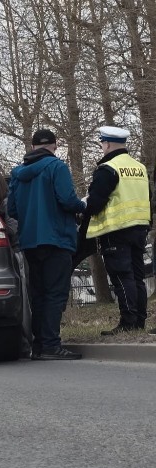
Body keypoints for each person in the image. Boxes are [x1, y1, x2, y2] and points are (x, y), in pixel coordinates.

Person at [7, 129, 87, 360]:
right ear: (54, 145)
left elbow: (12, 210)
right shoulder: (57, 167)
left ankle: (39, 345)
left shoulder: (17, 174)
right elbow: (67, 200)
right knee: (55, 293)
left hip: (30, 241)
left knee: (38, 293)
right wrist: (82, 207)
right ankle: (52, 345)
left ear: (32, 147)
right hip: (56, 239)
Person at [83, 126, 152, 335]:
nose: (102, 148)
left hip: (116, 231)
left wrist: (83, 206)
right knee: (137, 277)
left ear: (108, 144)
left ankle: (128, 322)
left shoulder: (108, 169)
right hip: (140, 229)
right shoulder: (139, 168)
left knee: (122, 277)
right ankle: (139, 320)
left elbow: (95, 203)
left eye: (102, 144)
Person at [0, 170, 32, 356]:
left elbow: (13, 228)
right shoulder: (7, 201)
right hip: (15, 253)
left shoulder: (6, 203)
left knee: (24, 302)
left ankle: (27, 343)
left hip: (17, 253)